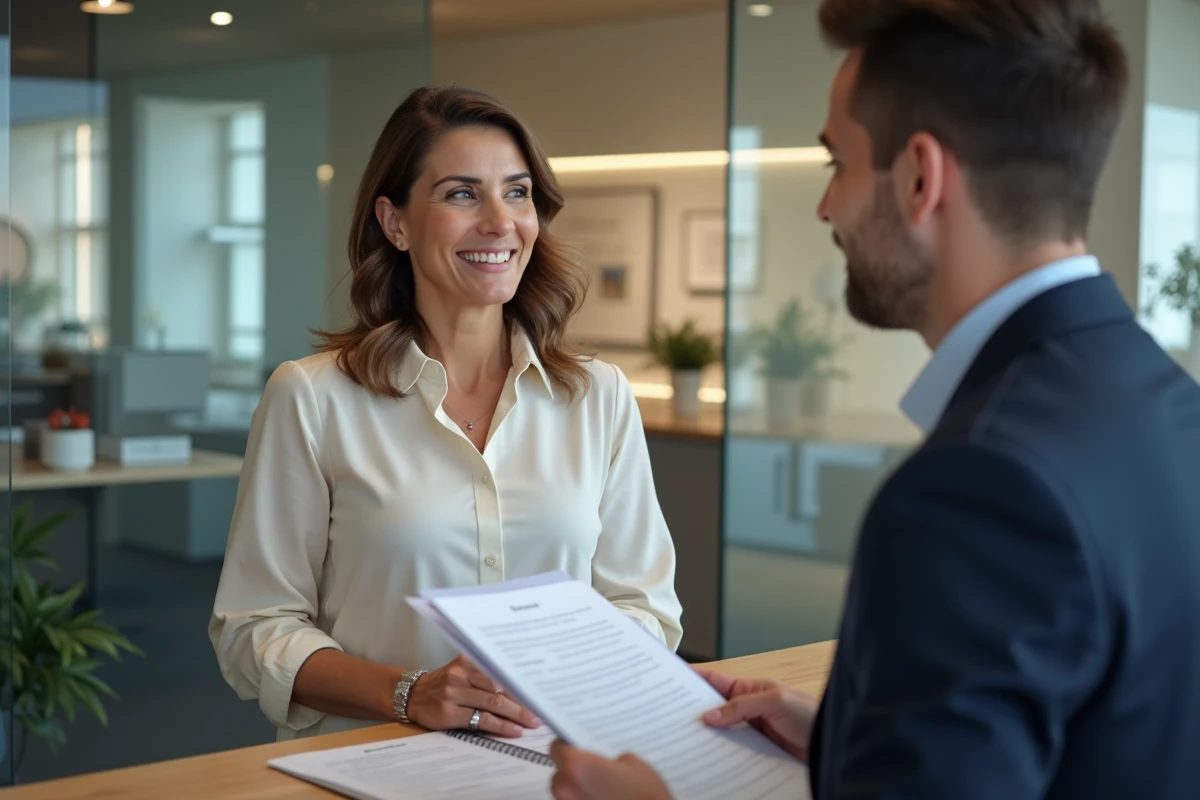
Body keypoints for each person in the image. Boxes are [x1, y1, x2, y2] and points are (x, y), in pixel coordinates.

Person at [549, 0, 1200, 798]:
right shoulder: (1168, 404)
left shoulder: (979, 486)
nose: (827, 207)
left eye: (837, 163)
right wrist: (847, 737)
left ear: (922, 177)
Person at [209, 86, 683, 742]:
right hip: (371, 765)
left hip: (553, 768)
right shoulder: (313, 398)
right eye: (462, 194)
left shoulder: (597, 397)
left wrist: (577, 673)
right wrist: (410, 693)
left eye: (517, 193)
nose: (499, 221)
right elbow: (255, 627)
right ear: (395, 222)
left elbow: (644, 608)